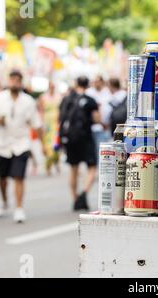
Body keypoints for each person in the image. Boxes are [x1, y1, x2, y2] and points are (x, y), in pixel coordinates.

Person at [0, 70, 45, 223]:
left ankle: (19, 207)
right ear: (8, 81)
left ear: (21, 82)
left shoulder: (28, 101)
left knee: (19, 176)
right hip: (2, 145)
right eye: (12, 80)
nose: (15, 83)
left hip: (21, 144)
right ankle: (4, 201)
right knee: (2, 178)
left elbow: (36, 124)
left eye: (18, 80)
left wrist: (43, 145)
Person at [59, 76, 100, 211]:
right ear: (88, 85)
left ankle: (75, 198)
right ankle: (84, 192)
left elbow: (60, 118)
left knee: (73, 169)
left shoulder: (66, 99)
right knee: (92, 167)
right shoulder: (90, 100)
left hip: (70, 138)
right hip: (85, 137)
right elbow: (96, 119)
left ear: (76, 84)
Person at [38, 81, 62, 176]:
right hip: (47, 124)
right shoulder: (43, 97)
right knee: (48, 147)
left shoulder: (59, 97)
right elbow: (41, 111)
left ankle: (56, 161)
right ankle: (48, 166)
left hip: (57, 124)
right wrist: (41, 124)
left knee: (56, 146)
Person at [86, 75, 112, 152]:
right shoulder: (89, 92)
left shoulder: (107, 92)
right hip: (91, 126)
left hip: (105, 127)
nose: (96, 83)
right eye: (95, 81)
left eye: (98, 81)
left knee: (103, 151)